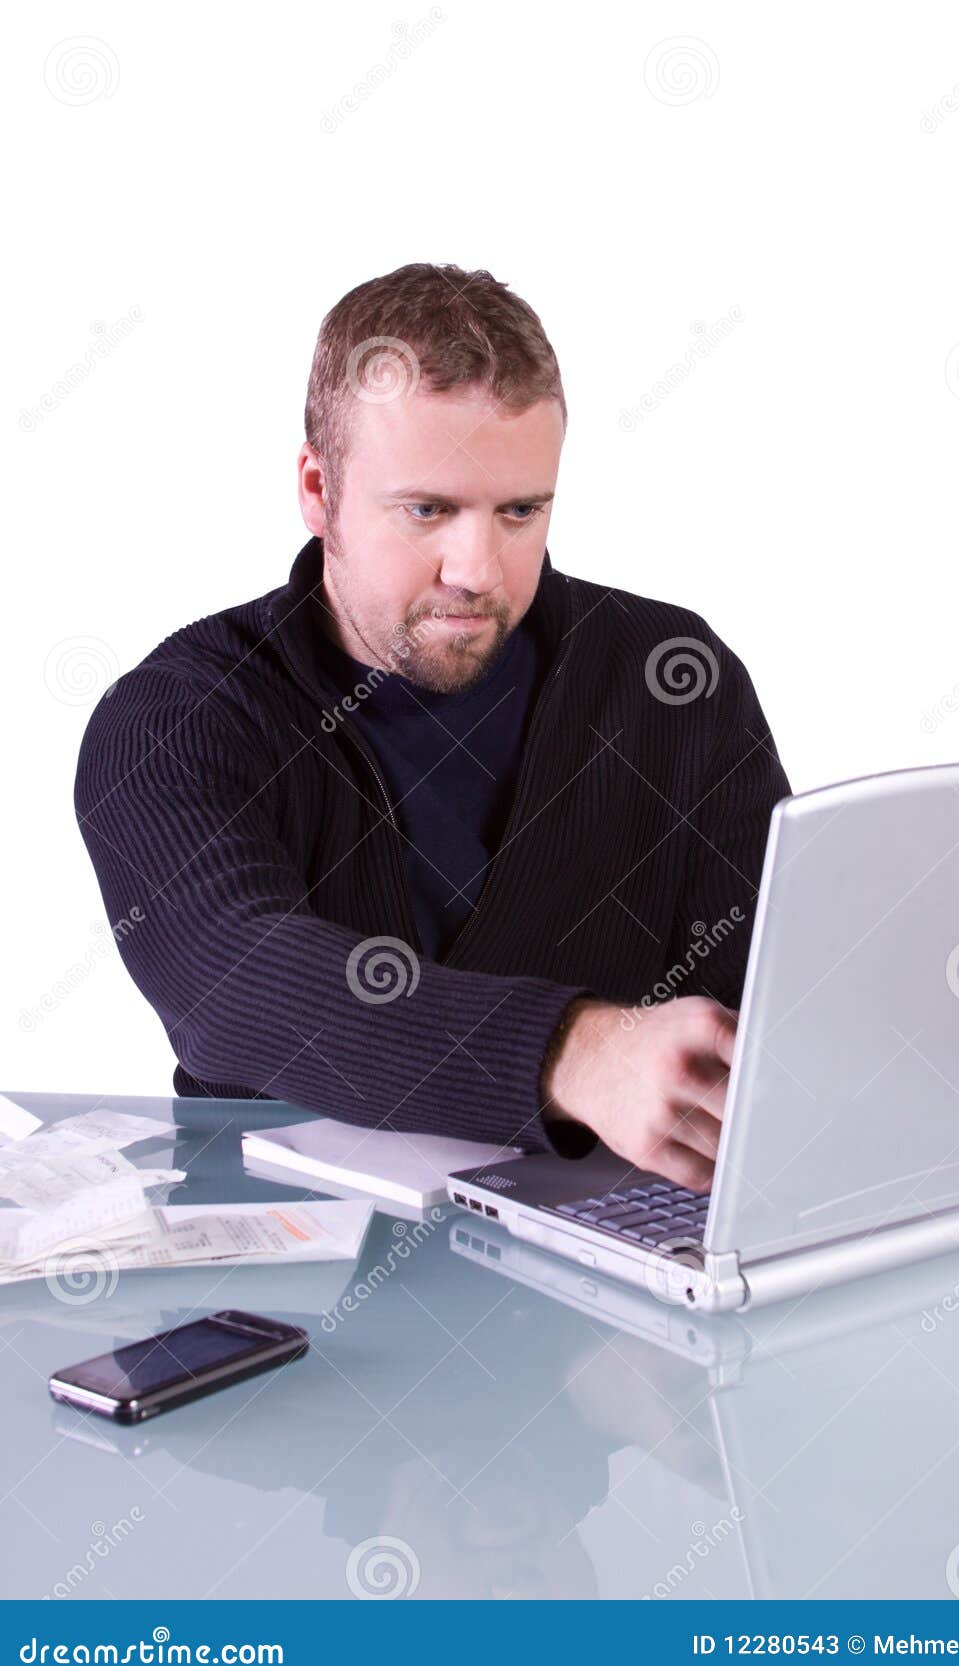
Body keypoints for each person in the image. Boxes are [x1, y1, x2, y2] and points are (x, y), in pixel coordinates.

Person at [75, 262, 790, 1191]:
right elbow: (237, 983)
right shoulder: (176, 719)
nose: (478, 570)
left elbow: (778, 989)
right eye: (428, 510)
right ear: (316, 487)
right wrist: (575, 1053)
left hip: (612, 1276)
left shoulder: (672, 679)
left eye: (520, 512)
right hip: (284, 1288)